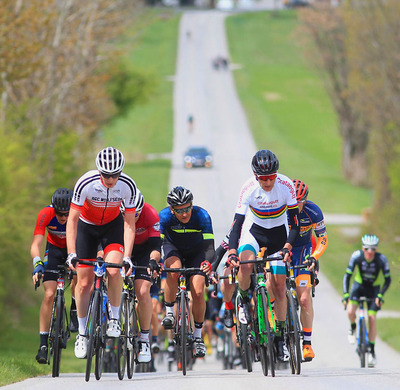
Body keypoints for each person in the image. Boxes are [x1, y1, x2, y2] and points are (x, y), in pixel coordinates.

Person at [66, 146, 140, 359]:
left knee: (115, 271)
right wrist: (71, 252)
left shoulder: (128, 186)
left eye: (114, 175)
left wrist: (127, 257)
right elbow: (71, 220)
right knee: (83, 283)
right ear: (99, 171)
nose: (110, 180)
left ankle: (115, 318)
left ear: (120, 172)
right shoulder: (85, 183)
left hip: (112, 228)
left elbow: (129, 223)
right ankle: (82, 333)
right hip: (86, 229)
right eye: (106, 175)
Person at [227, 149, 300, 362]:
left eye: (271, 177)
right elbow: (237, 224)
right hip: (254, 233)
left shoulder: (286, 186)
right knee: (246, 264)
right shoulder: (248, 188)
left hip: (279, 235)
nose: (267, 182)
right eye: (263, 178)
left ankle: (280, 337)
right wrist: (232, 251)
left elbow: (294, 223)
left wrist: (288, 246)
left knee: (279, 286)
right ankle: (242, 298)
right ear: (255, 175)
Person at [159, 186, 215, 358]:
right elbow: (156, 243)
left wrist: (207, 262)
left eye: (187, 208)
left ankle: (198, 338)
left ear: (192, 204)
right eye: (179, 210)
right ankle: (170, 313)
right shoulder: (164, 217)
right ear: (171, 210)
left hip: (197, 253)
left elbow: (209, 247)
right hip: (173, 249)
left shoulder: (202, 216)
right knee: (173, 271)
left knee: (198, 292)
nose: (184, 214)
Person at [31, 188, 76, 363]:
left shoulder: (78, 215)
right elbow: (36, 243)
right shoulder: (46, 214)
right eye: (59, 214)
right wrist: (37, 263)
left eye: (66, 214)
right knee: (49, 294)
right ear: (53, 208)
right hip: (54, 250)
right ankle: (43, 344)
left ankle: (74, 308)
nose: (63, 218)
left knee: (77, 275)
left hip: (74, 249)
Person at [290, 179, 328, 361]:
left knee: (304, 299)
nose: (296, 205)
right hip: (282, 251)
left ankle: (307, 344)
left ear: (305, 200)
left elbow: (323, 238)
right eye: (293, 200)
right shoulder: (279, 209)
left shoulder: (313, 211)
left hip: (303, 253)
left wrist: (314, 257)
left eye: (299, 201)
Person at [342, 234, 391, 367]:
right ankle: (352, 328)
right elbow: (347, 276)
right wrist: (346, 294)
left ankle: (372, 352)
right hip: (359, 287)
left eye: (373, 249)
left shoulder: (381, 259)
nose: (370, 252)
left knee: (372, 318)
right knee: (351, 311)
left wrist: (380, 295)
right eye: (367, 249)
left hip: (373, 289)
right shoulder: (356, 256)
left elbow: (388, 279)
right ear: (363, 248)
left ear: (376, 250)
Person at [125, 194, 162, 363]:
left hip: (143, 251)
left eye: (137, 214)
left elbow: (155, 246)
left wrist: (153, 261)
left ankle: (145, 339)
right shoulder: (117, 214)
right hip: (123, 247)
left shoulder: (150, 213)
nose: (134, 217)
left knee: (142, 290)